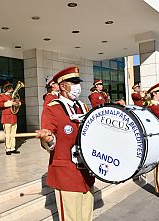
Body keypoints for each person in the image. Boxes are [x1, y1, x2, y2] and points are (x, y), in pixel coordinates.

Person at [36, 66, 95, 221]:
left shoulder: (83, 106)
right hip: (66, 171)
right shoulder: (52, 108)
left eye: (78, 82)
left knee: (86, 214)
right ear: (63, 86)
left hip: (86, 170)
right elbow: (50, 135)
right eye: (73, 82)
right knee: (71, 217)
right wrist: (48, 139)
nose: (77, 86)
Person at [0, 81, 21, 155]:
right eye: (9, 87)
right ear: (5, 88)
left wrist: (18, 103)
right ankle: (8, 149)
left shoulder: (13, 95)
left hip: (13, 117)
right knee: (7, 134)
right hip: (6, 118)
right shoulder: (2, 96)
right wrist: (10, 103)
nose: (11, 88)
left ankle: (13, 148)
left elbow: (18, 102)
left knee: (13, 134)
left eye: (10, 86)